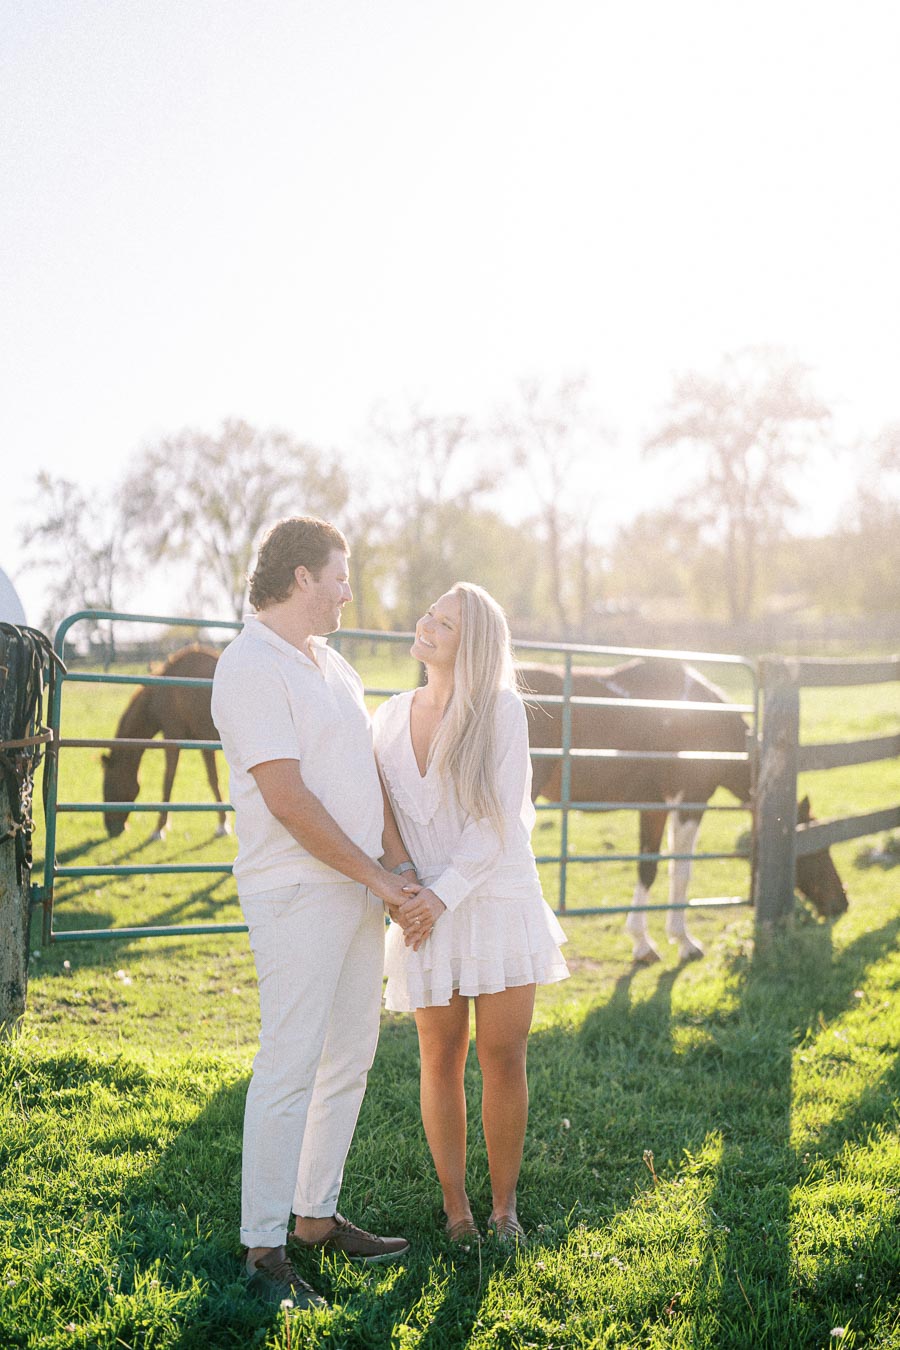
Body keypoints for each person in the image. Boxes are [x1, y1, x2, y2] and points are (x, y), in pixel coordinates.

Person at [211, 516, 417, 1308]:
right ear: (301, 577)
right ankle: (263, 1249)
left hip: (358, 885)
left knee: (350, 1057)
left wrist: (394, 873)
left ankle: (316, 1218)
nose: (347, 588)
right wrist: (379, 876)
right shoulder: (249, 664)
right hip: (294, 890)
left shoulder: (332, 666)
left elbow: (366, 778)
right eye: (340, 573)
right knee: (291, 1062)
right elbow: (288, 799)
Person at [373, 582, 569, 1245]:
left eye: (445, 624)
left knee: (503, 1055)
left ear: (473, 644)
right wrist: (405, 885)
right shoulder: (387, 716)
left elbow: (501, 822)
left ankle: (504, 1208)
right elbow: (384, 817)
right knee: (439, 1055)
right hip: (424, 910)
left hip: (497, 898)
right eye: (430, 613)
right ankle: (457, 1211)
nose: (426, 625)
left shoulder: (501, 711)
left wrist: (439, 895)